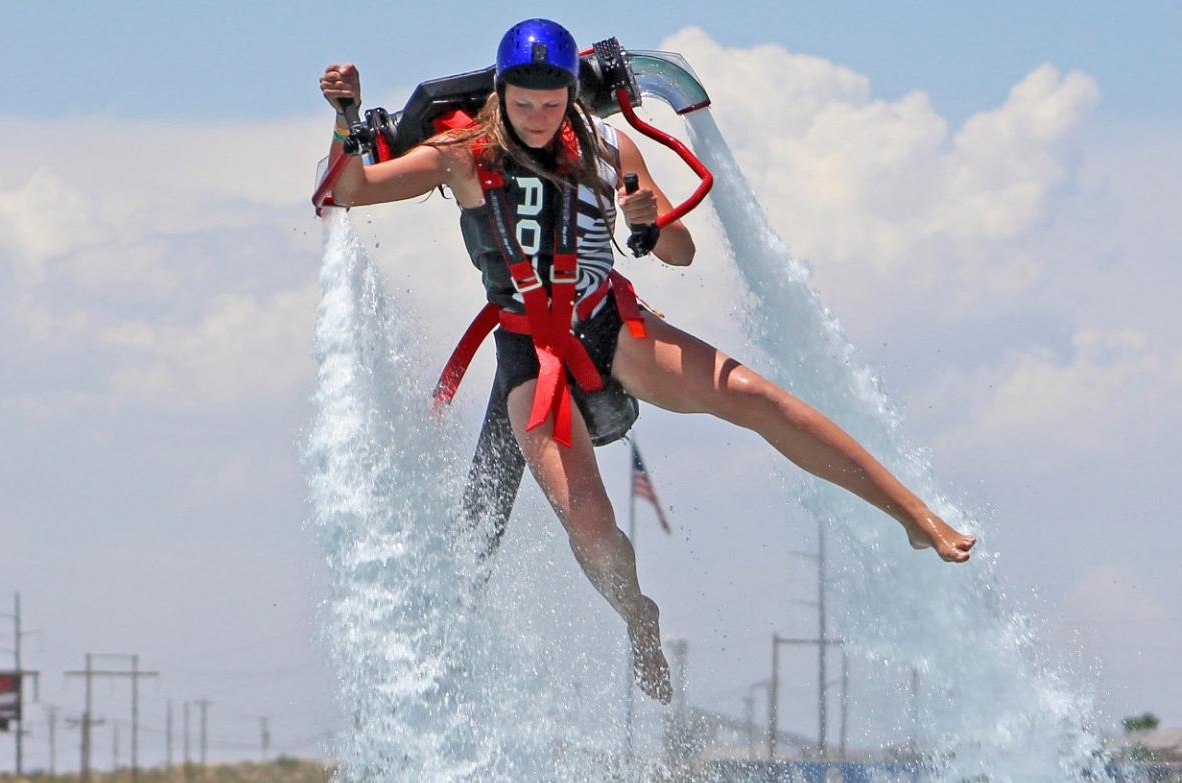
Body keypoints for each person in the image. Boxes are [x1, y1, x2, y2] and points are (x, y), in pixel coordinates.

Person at [316, 19, 974, 704]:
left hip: (611, 323)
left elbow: (680, 252)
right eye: (523, 103)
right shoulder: (460, 154)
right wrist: (344, 121)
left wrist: (648, 220)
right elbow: (352, 191)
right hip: (530, 357)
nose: (538, 118)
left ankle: (912, 514)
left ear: (573, 95)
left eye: (552, 103)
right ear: (500, 94)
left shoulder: (607, 147)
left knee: (754, 396)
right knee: (593, 526)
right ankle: (640, 620)